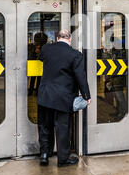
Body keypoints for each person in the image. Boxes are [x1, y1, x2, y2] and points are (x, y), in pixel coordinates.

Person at [37, 29, 91, 167]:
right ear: (70, 39)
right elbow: (80, 77)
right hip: (63, 98)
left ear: (57, 38)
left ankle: (44, 154)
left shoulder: (46, 49)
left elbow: (41, 58)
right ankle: (63, 159)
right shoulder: (75, 55)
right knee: (63, 128)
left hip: (45, 95)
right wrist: (86, 96)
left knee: (45, 126)